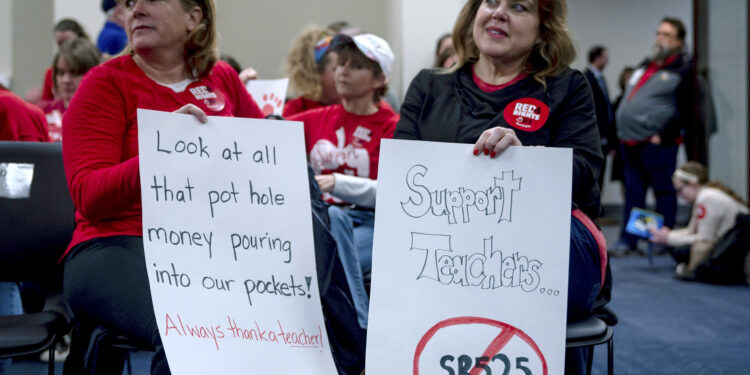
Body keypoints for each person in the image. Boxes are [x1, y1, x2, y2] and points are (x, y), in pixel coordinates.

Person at [395, 1, 605, 373]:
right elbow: (401, 185)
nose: (499, 13)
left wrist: (527, 160)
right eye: (490, 1)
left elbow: (586, 174)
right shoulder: (429, 86)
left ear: (544, 28)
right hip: (441, 248)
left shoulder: (567, 87)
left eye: (519, 6)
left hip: (541, 245)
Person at [61, 0, 263, 373]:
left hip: (212, 248)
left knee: (271, 318)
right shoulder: (105, 83)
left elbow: (261, 160)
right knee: (191, 329)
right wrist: (164, 150)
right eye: (131, 2)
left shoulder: (222, 79)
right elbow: (88, 196)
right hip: (114, 242)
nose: (135, 9)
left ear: (194, 17)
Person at [289, 33, 398, 329]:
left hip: (370, 223)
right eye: (340, 64)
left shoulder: (394, 128)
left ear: (378, 79)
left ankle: (358, 330)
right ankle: (359, 334)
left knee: (332, 228)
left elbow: (398, 195)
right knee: (330, 223)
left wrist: (338, 183)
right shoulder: (311, 118)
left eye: (356, 66)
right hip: (317, 221)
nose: (343, 72)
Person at [611, 17, 694, 255]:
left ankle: (660, 241)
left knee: (662, 192)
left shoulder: (684, 69)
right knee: (634, 193)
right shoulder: (647, 64)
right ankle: (630, 240)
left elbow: (687, 110)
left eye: (667, 35)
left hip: (657, 143)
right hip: (630, 141)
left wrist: (663, 135)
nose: (660, 38)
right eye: (659, 33)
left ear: (678, 41)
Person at [649, 162, 749, 278]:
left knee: (679, 249)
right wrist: (667, 235)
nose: (679, 196)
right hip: (729, 245)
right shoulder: (705, 194)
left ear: (693, 184)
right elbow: (691, 230)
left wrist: (668, 238)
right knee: (675, 245)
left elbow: (704, 240)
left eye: (680, 190)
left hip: (733, 250)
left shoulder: (707, 197)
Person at [38, 38, 101, 142]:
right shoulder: (40, 112)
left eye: (74, 73)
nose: (66, 80)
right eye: (61, 73)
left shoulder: (103, 115)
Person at [283, 25, 340, 117]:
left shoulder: (355, 105)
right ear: (316, 73)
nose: (344, 73)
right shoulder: (297, 108)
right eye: (336, 68)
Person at [583, 46, 614, 192]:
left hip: (603, 135)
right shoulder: (586, 78)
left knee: (601, 173)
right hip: (594, 134)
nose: (607, 60)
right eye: (605, 56)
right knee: (594, 173)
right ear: (598, 58)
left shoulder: (600, 78)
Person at [39, 19, 90, 102]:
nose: (66, 80)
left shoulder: (94, 68)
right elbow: (46, 103)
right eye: (60, 43)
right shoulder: (51, 73)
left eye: (74, 73)